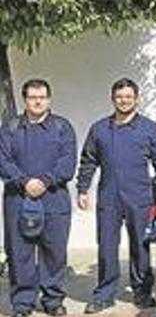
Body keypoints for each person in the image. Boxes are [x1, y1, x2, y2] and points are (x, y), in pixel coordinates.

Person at [76, 78, 156, 313]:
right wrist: (82, 188)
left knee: (141, 245)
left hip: (140, 195)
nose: (124, 101)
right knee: (107, 245)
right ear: (113, 99)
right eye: (119, 97)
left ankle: (142, 292)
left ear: (136, 98)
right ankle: (104, 294)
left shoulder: (149, 128)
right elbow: (88, 160)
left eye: (128, 96)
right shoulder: (99, 129)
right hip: (109, 195)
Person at [0, 79, 77, 317]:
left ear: (49, 99)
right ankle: (23, 303)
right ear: (25, 99)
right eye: (33, 97)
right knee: (19, 252)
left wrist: (45, 180)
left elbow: (67, 162)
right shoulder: (10, 128)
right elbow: (3, 161)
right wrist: (24, 182)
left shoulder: (62, 128)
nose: (37, 101)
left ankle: (53, 301)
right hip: (17, 199)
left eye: (42, 97)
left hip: (54, 199)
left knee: (54, 252)